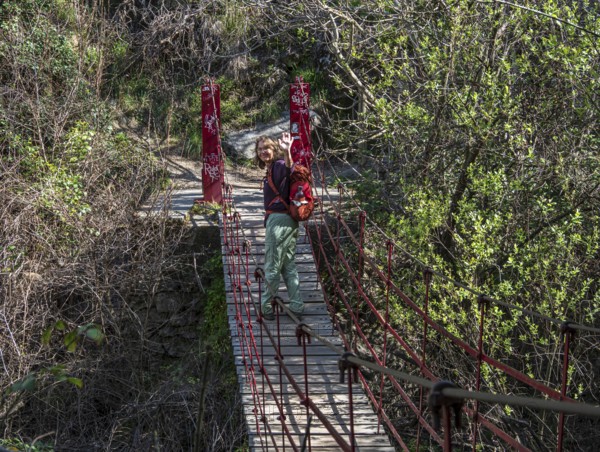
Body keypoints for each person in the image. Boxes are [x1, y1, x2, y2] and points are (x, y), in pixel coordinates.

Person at [254, 132, 304, 321]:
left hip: (278, 222)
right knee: (287, 264)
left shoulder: (280, 165)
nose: (263, 152)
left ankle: (266, 308)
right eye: (259, 149)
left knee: (272, 265)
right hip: (288, 221)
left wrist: (287, 151)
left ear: (274, 149)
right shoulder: (271, 169)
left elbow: (289, 167)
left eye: (266, 148)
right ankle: (297, 304)